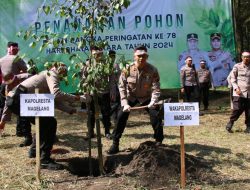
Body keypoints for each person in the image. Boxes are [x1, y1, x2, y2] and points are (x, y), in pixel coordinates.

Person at [0, 63, 88, 170]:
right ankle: (45, 160)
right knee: (49, 123)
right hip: (19, 99)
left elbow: (54, 101)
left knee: (44, 123)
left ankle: (34, 151)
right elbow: (57, 94)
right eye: (63, 69)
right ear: (56, 67)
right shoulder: (51, 73)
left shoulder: (47, 76)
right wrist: (78, 98)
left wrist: (74, 110)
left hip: (16, 100)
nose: (64, 72)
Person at [107, 45, 163, 154]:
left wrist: (153, 101)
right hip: (131, 96)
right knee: (120, 116)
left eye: (144, 56)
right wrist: (124, 103)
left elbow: (156, 87)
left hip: (146, 97)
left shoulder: (153, 70)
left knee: (156, 115)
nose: (141, 58)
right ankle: (115, 143)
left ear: (147, 56)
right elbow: (121, 86)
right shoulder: (127, 68)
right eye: (139, 56)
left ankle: (159, 141)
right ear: (134, 56)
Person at [81, 46, 116, 139]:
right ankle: (90, 132)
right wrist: (86, 93)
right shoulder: (87, 64)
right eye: (95, 54)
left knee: (106, 112)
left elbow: (112, 77)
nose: (98, 56)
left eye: (99, 53)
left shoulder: (106, 63)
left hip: (104, 92)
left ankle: (107, 132)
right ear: (91, 54)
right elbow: (84, 79)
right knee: (91, 113)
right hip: (92, 92)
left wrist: (112, 90)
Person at [0, 41, 30, 142]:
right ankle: (20, 131)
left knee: (5, 106)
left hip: (4, 85)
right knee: (20, 108)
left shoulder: (1, 60)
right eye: (15, 49)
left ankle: (2, 124)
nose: (16, 51)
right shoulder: (17, 58)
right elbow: (26, 71)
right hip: (15, 85)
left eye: (17, 49)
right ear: (9, 49)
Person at [225, 51, 250, 133]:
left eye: (248, 57)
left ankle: (248, 127)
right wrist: (235, 88)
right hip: (239, 92)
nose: (246, 58)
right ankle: (231, 122)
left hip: (249, 93)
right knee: (237, 108)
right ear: (242, 58)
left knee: (249, 110)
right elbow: (232, 78)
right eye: (245, 57)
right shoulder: (237, 66)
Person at [108, 50, 121, 124]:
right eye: (112, 56)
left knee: (116, 103)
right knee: (115, 104)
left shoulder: (116, 64)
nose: (113, 57)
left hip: (115, 86)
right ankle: (110, 118)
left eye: (113, 56)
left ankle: (115, 120)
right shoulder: (110, 65)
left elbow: (119, 75)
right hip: (112, 87)